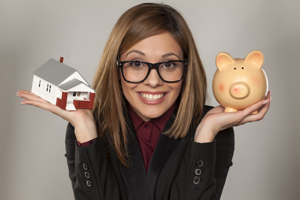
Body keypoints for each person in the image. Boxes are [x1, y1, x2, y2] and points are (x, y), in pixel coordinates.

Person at [17, 3, 271, 200]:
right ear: (116, 69)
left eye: (169, 64)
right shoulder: (84, 129)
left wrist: (205, 132)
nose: (153, 81)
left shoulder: (215, 131)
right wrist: (84, 126)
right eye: (137, 63)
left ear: (186, 68)